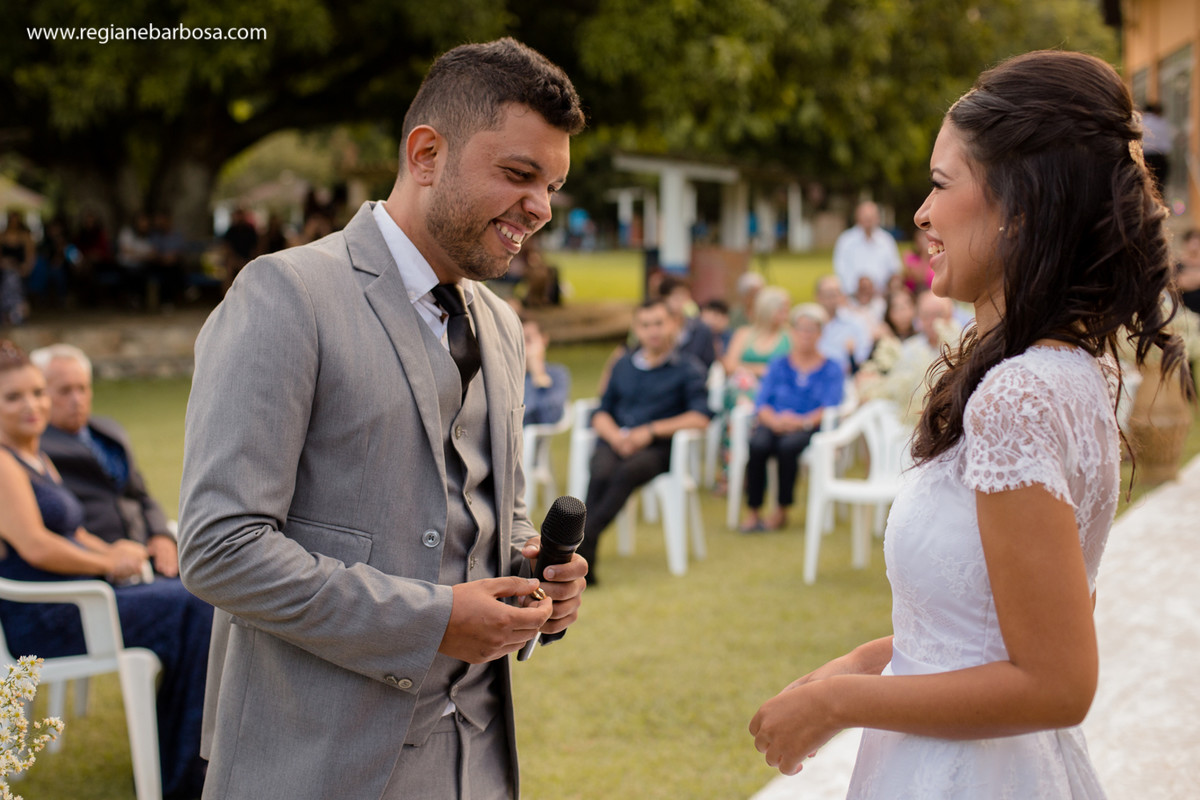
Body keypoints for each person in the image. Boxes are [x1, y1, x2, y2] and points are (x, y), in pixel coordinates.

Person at [750, 50, 1192, 797]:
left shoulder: (1018, 396)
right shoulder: (1070, 370)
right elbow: (1003, 625)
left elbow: (1056, 681)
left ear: (1019, 207)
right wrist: (866, 660)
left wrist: (840, 703)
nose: (921, 213)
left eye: (940, 184)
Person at [177, 38, 588, 800]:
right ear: (427, 153)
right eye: (520, 174)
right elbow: (219, 548)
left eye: (554, 185)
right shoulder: (286, 296)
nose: (542, 207)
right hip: (316, 766)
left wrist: (538, 582)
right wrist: (429, 620)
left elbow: (496, 516)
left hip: (479, 765)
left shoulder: (500, 326)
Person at [0, 340, 211, 799]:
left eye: (37, 393)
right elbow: (36, 546)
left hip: (79, 598)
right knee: (194, 606)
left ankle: (178, 754)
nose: (33, 405)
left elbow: (71, 532)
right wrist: (105, 562)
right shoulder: (2, 464)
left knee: (193, 596)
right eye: (13, 397)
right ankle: (182, 776)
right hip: (49, 618)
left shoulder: (34, 455)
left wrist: (116, 550)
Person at [578, 298, 711, 582]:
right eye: (646, 325)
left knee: (626, 472)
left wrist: (650, 431)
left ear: (674, 324)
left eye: (659, 323)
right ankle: (584, 551)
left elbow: (700, 417)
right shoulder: (623, 364)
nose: (653, 331)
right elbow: (601, 411)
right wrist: (616, 437)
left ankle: (581, 543)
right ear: (636, 329)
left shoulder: (688, 368)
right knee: (600, 470)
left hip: (658, 449)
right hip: (617, 441)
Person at [31, 344, 179, 576]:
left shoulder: (109, 431)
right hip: (100, 563)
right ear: (40, 393)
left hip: (150, 554)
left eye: (82, 388)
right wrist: (109, 557)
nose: (77, 399)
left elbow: (141, 495)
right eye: (65, 391)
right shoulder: (37, 449)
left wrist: (162, 534)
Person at [739, 304, 843, 533]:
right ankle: (753, 510)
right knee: (758, 444)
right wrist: (774, 420)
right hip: (775, 420)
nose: (805, 334)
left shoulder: (831, 367)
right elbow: (762, 401)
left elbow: (830, 406)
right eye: (800, 329)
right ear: (793, 332)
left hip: (808, 424)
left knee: (788, 447)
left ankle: (781, 510)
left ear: (820, 333)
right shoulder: (779, 364)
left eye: (811, 329)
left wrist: (801, 422)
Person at [832, 201, 902, 295]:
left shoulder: (886, 240)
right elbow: (840, 271)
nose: (868, 220)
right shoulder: (845, 240)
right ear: (857, 218)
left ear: (877, 218)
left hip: (881, 295)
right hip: (853, 296)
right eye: (865, 217)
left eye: (871, 217)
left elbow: (895, 269)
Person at [814, 274, 873, 373]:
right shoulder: (810, 323)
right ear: (817, 296)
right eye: (827, 293)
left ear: (841, 296)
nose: (830, 298)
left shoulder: (855, 322)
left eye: (834, 293)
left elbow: (862, 356)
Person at [658, 274, 717, 369]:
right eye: (675, 295)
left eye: (684, 295)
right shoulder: (655, 327)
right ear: (664, 298)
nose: (679, 300)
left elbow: (708, 361)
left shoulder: (701, 329)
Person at [522, 318, 570, 426]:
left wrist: (539, 375)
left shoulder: (557, 375)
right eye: (519, 340)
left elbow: (551, 416)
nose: (523, 346)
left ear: (544, 340)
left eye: (528, 339)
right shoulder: (509, 378)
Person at [0, 210, 35, 326]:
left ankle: (15, 313)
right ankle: (10, 312)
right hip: (5, 269)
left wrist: (25, 267)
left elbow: (30, 255)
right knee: (10, 277)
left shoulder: (25, 236)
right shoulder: (2, 236)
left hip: (19, 270)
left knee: (13, 278)